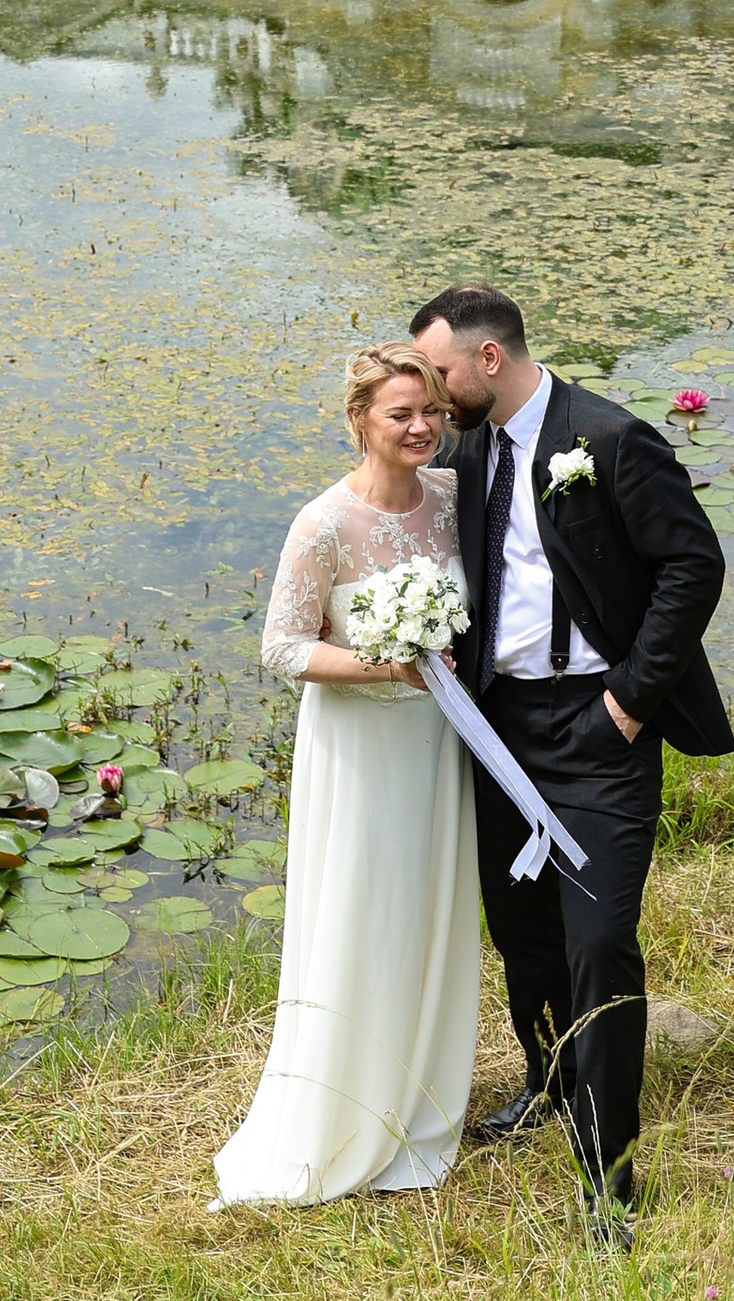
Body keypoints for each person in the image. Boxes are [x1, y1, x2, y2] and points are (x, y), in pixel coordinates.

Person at [409, 285, 731, 1248]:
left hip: (599, 727)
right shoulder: (463, 452)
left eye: (441, 371)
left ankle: (610, 1175)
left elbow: (694, 565)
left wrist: (630, 701)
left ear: (490, 361)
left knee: (598, 942)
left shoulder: (613, 440)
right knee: (523, 932)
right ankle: (548, 1082)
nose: (433, 390)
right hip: (498, 724)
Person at [212, 344, 482, 1207]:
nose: (421, 428)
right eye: (401, 412)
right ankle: (345, 1108)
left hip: (437, 748)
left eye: (432, 410)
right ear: (360, 418)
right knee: (364, 909)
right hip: (361, 749)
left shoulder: (449, 498)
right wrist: (386, 663)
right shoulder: (322, 522)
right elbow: (282, 646)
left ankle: (423, 1098)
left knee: (429, 907)